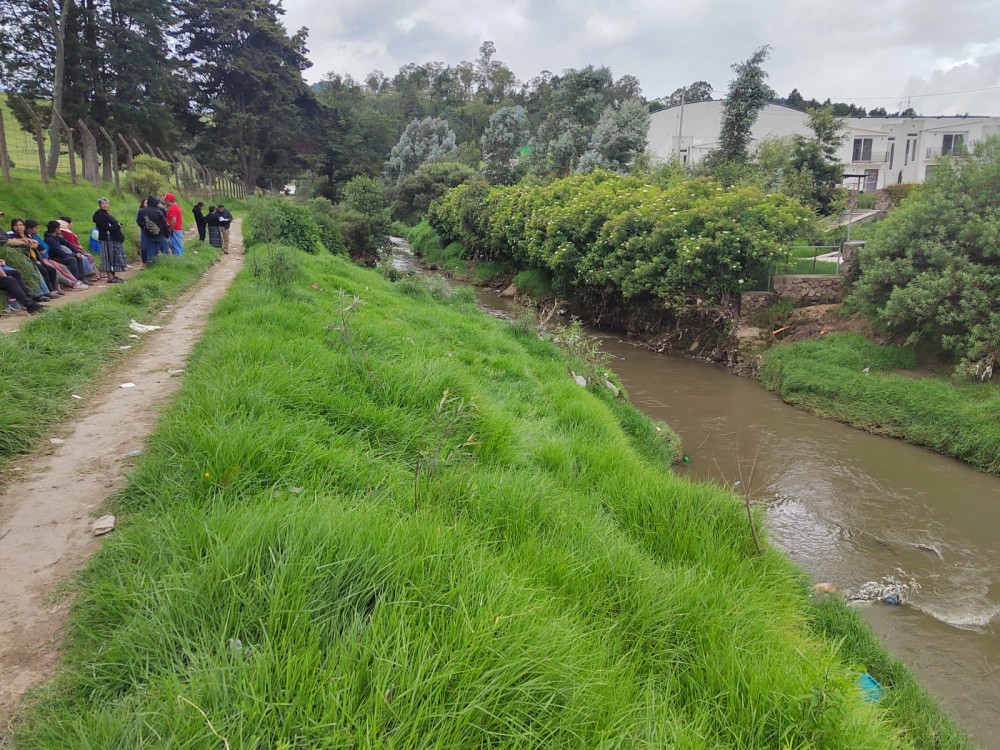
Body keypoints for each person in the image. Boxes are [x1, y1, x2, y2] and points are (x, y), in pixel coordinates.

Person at [6, 218, 63, 295]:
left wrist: (36, 244)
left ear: (24, 226)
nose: (18, 227)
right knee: (43, 270)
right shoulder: (12, 236)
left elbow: (41, 249)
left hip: (37, 257)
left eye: (20, 225)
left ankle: (53, 289)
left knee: (51, 270)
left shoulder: (28, 234)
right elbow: (18, 248)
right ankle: (48, 291)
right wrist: (28, 245)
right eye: (15, 225)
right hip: (28, 259)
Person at [93, 197, 127, 283]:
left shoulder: (106, 214)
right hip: (106, 239)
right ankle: (110, 277)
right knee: (107, 257)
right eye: (103, 203)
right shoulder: (100, 215)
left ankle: (113, 276)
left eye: (107, 203)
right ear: (100, 205)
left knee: (113, 257)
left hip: (112, 238)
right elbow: (106, 227)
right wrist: (117, 226)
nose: (105, 205)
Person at [136, 195, 170, 265]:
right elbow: (164, 225)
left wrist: (144, 228)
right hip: (160, 235)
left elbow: (138, 222)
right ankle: (167, 263)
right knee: (165, 250)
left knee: (151, 252)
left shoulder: (141, 211)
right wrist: (167, 236)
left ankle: (151, 265)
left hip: (148, 234)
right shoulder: (159, 212)